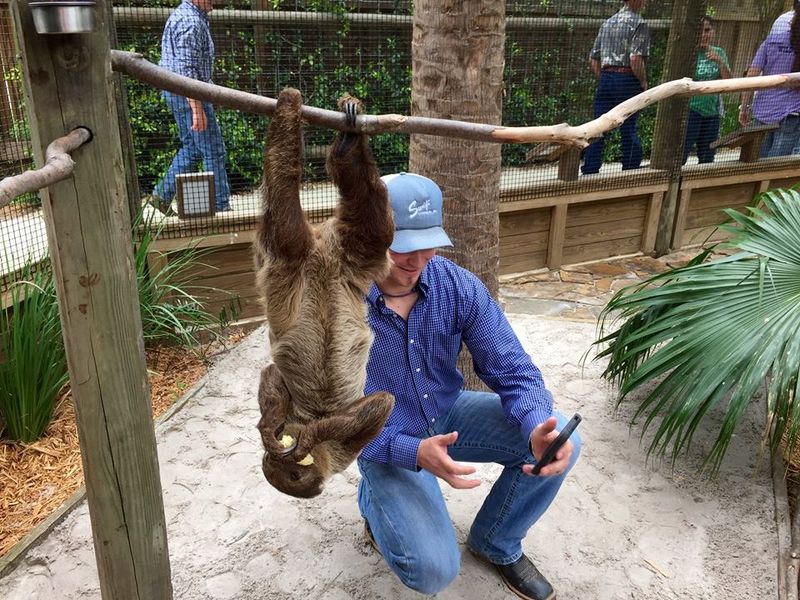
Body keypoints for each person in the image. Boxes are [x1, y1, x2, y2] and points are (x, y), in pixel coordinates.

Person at [357, 172, 581, 600]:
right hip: (381, 434)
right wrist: (409, 452)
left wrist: (536, 424)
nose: (417, 260)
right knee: (432, 572)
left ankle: (495, 542)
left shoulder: (456, 285)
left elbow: (513, 369)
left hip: (446, 412)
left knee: (562, 442)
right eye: (402, 246)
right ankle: (373, 500)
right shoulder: (336, 302)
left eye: (428, 244)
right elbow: (327, 418)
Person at [151, 0, 231, 213]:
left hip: (178, 93)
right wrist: (197, 108)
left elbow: (194, 67)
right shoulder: (191, 22)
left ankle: (162, 195)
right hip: (188, 95)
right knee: (214, 151)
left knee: (193, 148)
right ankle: (220, 207)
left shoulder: (187, 15)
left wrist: (211, 94)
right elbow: (186, 72)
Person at [582, 0, 650, 175]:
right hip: (627, 79)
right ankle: (630, 168)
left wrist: (605, 78)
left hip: (606, 78)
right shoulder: (639, 23)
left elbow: (593, 59)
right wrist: (643, 81)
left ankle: (590, 168)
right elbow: (635, 58)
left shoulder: (608, 23)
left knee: (598, 126)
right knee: (628, 125)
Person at [739, 0, 800, 158]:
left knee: (758, 163)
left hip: (763, 111)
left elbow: (752, 74)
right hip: (790, 114)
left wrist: (744, 107)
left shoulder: (772, 39)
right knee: (777, 167)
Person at [683, 16, 731, 165]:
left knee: (707, 157)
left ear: (713, 32)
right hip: (691, 110)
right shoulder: (687, 53)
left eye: (707, 30)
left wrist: (720, 62)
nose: (704, 35)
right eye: (700, 31)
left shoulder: (719, 52)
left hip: (712, 112)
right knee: (681, 155)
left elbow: (729, 82)